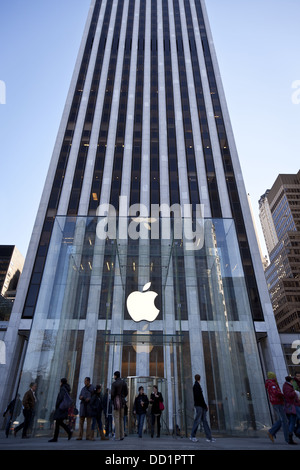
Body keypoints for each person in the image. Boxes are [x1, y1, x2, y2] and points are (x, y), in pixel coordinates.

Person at [265, 371, 289, 444]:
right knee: (284, 420)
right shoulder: (272, 384)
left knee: (282, 419)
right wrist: (283, 395)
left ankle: (272, 432)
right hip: (277, 402)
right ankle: (287, 438)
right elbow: (275, 392)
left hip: (276, 402)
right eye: (275, 376)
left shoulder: (270, 383)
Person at [189, 374, 215, 443]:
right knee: (198, 420)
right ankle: (192, 436)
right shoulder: (196, 386)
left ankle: (209, 437)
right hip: (199, 406)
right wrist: (205, 405)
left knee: (204, 421)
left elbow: (200, 397)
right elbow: (200, 398)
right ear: (199, 379)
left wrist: (204, 405)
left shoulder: (196, 386)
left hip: (200, 406)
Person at [48, 378, 73, 442]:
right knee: (59, 422)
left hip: (61, 408)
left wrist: (57, 406)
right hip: (64, 408)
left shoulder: (63, 389)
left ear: (61, 382)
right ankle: (68, 432)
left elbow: (60, 398)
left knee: (58, 422)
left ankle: (56, 437)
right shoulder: (67, 389)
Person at [283, 375, 300, 444]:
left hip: (291, 405)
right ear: (291, 381)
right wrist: (295, 392)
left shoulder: (287, 386)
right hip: (292, 406)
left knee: (292, 421)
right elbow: (289, 395)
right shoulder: (287, 386)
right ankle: (295, 433)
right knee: (294, 420)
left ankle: (292, 435)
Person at [111, 371, 128, 441]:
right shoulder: (124, 382)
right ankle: (122, 435)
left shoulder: (114, 384)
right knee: (121, 419)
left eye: (114, 375)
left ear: (115, 376)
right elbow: (126, 392)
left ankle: (117, 436)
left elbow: (112, 394)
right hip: (122, 401)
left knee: (117, 419)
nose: (114, 377)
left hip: (116, 402)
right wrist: (123, 396)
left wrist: (113, 399)